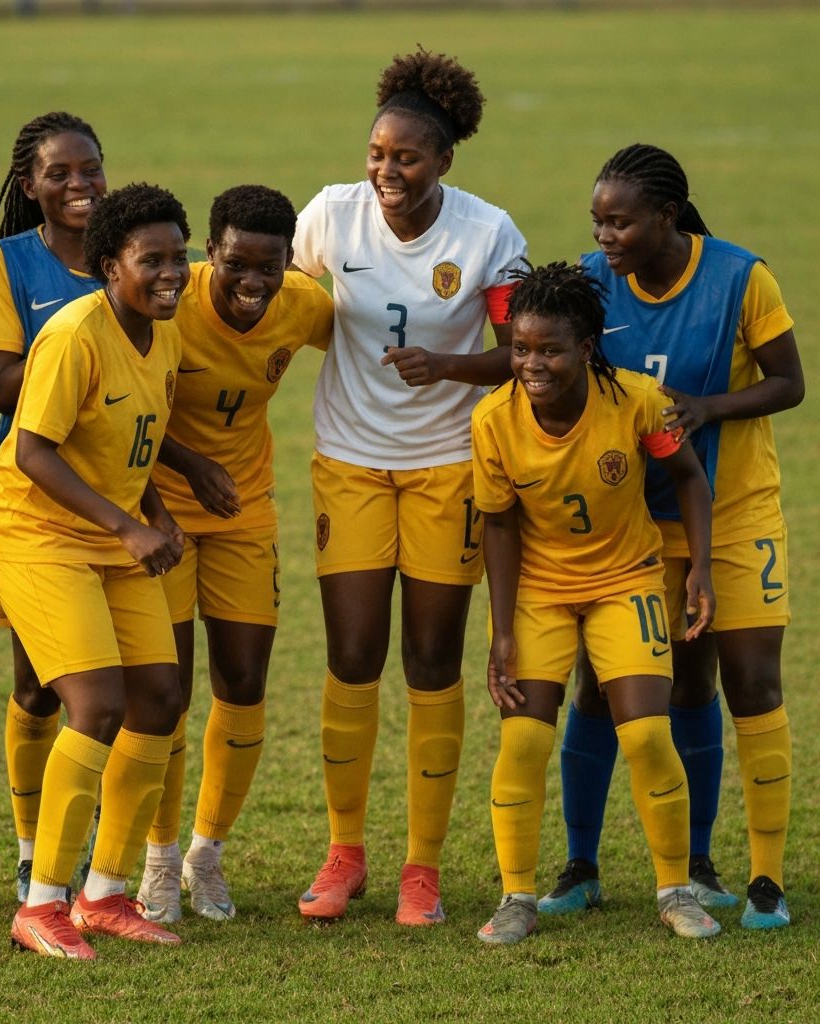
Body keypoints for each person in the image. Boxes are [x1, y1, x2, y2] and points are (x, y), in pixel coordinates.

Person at [538, 144, 803, 930]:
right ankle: (581, 866)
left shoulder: (740, 277)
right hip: (632, 526)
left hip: (735, 511)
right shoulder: (593, 282)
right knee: (602, 685)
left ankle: (754, 875)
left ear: (666, 216)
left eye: (619, 222)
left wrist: (709, 407)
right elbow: (546, 362)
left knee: (742, 683)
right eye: (597, 220)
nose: (604, 235)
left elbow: (790, 382)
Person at [292, 47, 527, 927]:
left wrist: (448, 366)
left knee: (431, 661)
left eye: (407, 158)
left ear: (445, 160)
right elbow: (282, 299)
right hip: (349, 461)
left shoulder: (487, 234)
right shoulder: (331, 216)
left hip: (446, 468)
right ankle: (343, 853)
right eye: (377, 154)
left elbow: (522, 352)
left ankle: (421, 868)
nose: (386, 172)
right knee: (353, 655)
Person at [472, 260, 721, 944]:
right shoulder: (493, 420)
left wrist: (699, 568)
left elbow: (688, 478)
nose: (532, 364)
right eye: (521, 348)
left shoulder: (638, 400)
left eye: (550, 350)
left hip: (626, 581)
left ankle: (675, 891)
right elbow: (499, 526)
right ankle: (517, 897)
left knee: (645, 734)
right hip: (539, 591)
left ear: (585, 348)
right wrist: (501, 632)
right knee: (524, 740)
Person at [0, 182, 190, 960]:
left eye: (178, 256)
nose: (171, 273)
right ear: (110, 266)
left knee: (159, 698)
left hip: (111, 531)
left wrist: (156, 513)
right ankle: (42, 905)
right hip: (34, 531)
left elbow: (134, 437)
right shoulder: (74, 335)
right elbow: (35, 452)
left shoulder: (164, 334)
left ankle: (103, 895)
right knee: (96, 704)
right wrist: (129, 528)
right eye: (151, 260)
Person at [133, 185, 333, 923]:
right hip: (161, 511)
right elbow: (126, 401)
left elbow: (368, 342)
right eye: (236, 264)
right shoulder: (168, 304)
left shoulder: (304, 305)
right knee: (167, 691)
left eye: (268, 267)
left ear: (288, 262)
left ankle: (206, 854)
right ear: (208, 253)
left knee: (244, 682)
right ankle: (158, 860)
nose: (252, 282)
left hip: (244, 511)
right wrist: (189, 467)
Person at [0, 110, 107, 903]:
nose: (79, 184)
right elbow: (1, 386)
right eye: (59, 173)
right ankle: (32, 852)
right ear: (30, 185)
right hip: (39, 497)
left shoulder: (129, 256)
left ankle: (96, 856)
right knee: (36, 687)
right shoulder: (8, 263)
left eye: (90, 169)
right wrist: (85, 345)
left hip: (124, 493)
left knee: (117, 691)